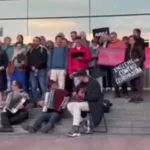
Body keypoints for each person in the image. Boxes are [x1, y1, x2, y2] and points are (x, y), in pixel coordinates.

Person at [67, 70, 103, 137]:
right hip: (84, 103)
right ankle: (82, 121)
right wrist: (75, 92)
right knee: (69, 105)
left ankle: (75, 129)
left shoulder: (94, 82)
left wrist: (84, 97)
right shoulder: (82, 83)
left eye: (78, 77)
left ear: (82, 76)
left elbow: (96, 97)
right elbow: (76, 89)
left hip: (94, 104)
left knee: (77, 106)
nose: (77, 78)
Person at [27, 37, 48, 105]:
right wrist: (31, 67)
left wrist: (36, 67)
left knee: (42, 85)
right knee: (33, 86)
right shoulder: (30, 50)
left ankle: (45, 101)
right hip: (32, 71)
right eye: (34, 41)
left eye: (37, 41)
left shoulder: (43, 49)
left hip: (41, 70)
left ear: (39, 42)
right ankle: (35, 101)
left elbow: (44, 60)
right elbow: (28, 60)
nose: (35, 42)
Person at [125, 35, 145, 103]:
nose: (130, 41)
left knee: (137, 82)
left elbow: (143, 56)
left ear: (135, 40)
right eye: (129, 39)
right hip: (130, 67)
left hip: (137, 66)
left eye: (132, 39)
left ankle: (139, 97)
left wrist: (138, 60)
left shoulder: (138, 47)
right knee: (131, 82)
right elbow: (126, 58)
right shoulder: (128, 48)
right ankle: (133, 97)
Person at [108, 32, 127, 98]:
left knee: (123, 78)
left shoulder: (121, 43)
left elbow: (124, 52)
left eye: (112, 37)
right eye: (110, 37)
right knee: (114, 79)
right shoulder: (109, 45)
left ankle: (125, 91)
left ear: (116, 37)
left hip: (120, 63)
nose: (111, 39)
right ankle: (117, 92)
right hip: (112, 64)